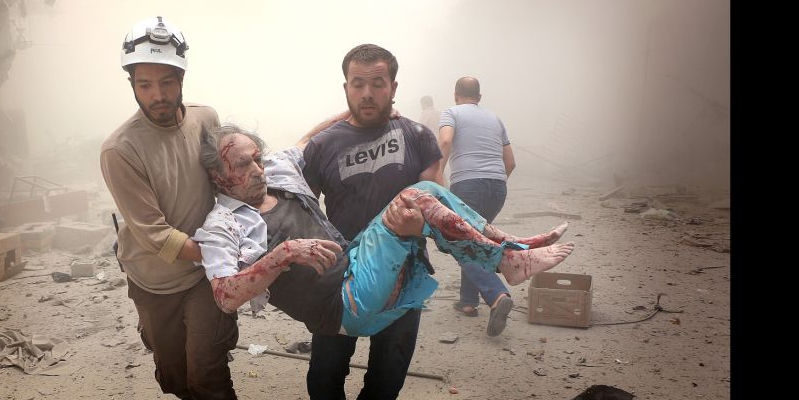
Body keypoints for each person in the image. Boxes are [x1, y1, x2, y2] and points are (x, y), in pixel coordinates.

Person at [193, 123, 574, 339]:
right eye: (244, 165)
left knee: (424, 192)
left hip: (357, 265)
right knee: (415, 197)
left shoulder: (277, 172)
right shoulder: (221, 225)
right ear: (218, 176)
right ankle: (508, 258)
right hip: (342, 306)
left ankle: (510, 251)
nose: (258, 169)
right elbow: (226, 297)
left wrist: (356, 110)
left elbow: (311, 137)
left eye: (257, 158)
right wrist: (284, 253)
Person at [98, 16, 254, 400]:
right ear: (132, 86)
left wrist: (256, 224)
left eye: (166, 82)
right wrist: (222, 258)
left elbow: (232, 171)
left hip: (203, 283)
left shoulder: (206, 117)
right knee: (173, 378)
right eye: (145, 84)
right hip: (154, 278)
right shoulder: (121, 149)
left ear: (182, 78)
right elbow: (155, 235)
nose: (157, 94)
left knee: (207, 373)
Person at [288, 43, 443, 400]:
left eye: (378, 83)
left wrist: (426, 211)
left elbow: (436, 191)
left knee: (387, 378)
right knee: (325, 370)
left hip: (405, 278)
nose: (369, 93)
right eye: (359, 84)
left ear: (394, 86)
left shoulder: (417, 137)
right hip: (341, 279)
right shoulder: (325, 145)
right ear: (346, 88)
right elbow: (300, 203)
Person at [437, 76, 518, 336]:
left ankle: (496, 295)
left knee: (461, 243)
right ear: (479, 98)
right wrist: (494, 181)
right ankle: (468, 302)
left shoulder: (451, 112)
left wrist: (438, 174)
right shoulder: (495, 119)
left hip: (467, 186)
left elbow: (446, 141)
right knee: (473, 241)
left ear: (455, 94)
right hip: (497, 187)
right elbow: (511, 162)